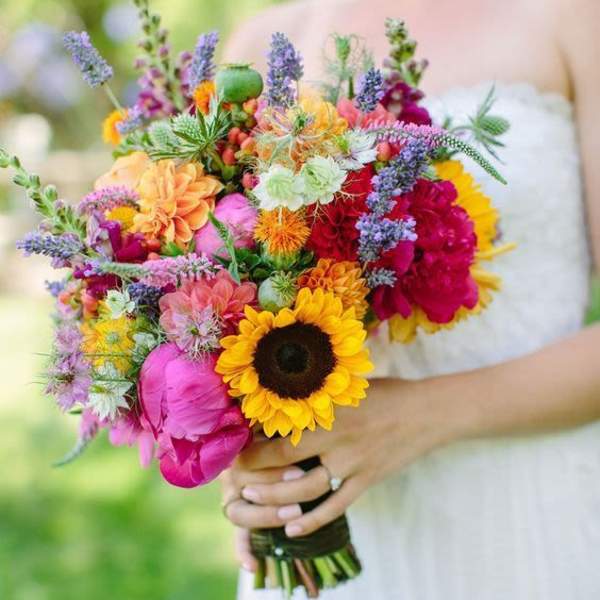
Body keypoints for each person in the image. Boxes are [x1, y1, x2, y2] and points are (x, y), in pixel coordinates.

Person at [220, 0, 600, 597]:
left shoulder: (573, 18)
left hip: (526, 509)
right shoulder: (261, 44)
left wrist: (419, 415)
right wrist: (246, 461)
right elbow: (228, 288)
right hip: (333, 518)